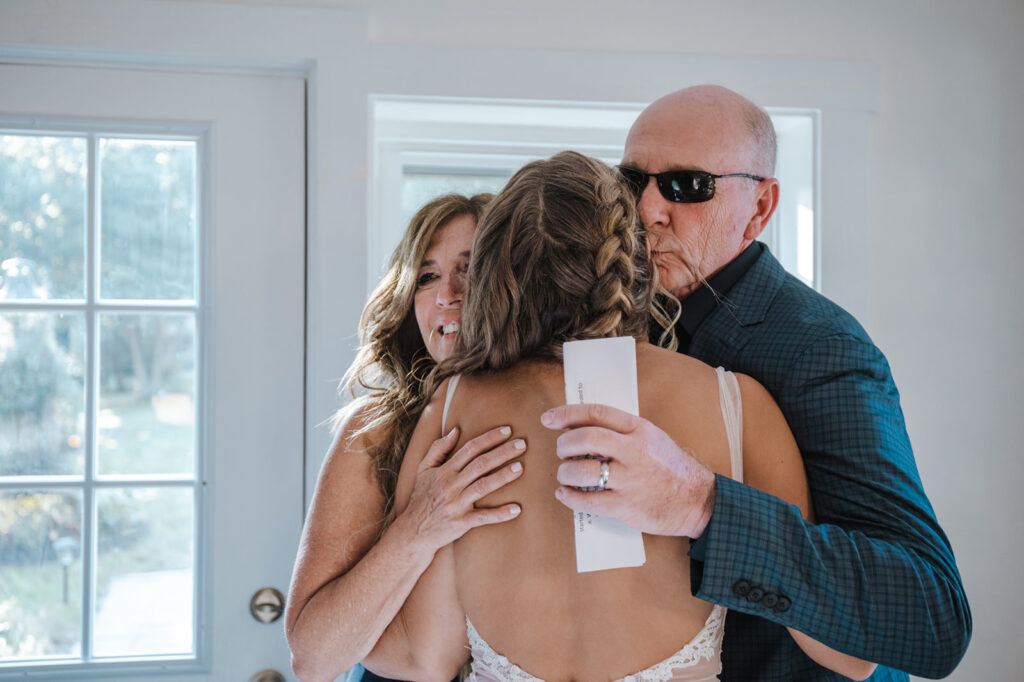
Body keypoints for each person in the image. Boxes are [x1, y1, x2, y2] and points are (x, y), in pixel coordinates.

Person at [368, 151, 876, 681]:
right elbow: (851, 655)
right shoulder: (736, 403)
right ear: (633, 256)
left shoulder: (450, 410)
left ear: (494, 272)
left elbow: (424, 659)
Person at [542, 86, 972, 679]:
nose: (646, 210)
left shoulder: (822, 348)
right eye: (632, 180)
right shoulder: (603, 320)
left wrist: (701, 505)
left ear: (761, 208)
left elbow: (930, 614)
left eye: (687, 186)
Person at [285, 193, 527, 682]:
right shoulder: (375, 429)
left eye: (472, 268)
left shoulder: (566, 409)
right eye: (427, 277)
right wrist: (418, 527)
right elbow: (313, 660)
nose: (448, 294)